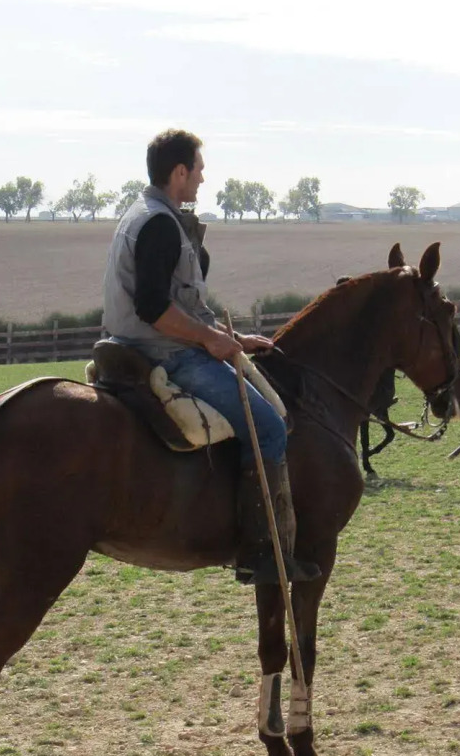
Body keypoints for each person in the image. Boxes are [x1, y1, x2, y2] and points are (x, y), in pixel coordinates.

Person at [101, 129, 319, 585]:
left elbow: (177, 305)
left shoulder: (143, 215)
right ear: (179, 172)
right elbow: (155, 309)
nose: (203, 178)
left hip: (145, 343)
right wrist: (210, 341)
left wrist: (230, 336)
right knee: (269, 428)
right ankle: (261, 554)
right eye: (199, 169)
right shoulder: (158, 224)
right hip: (166, 353)